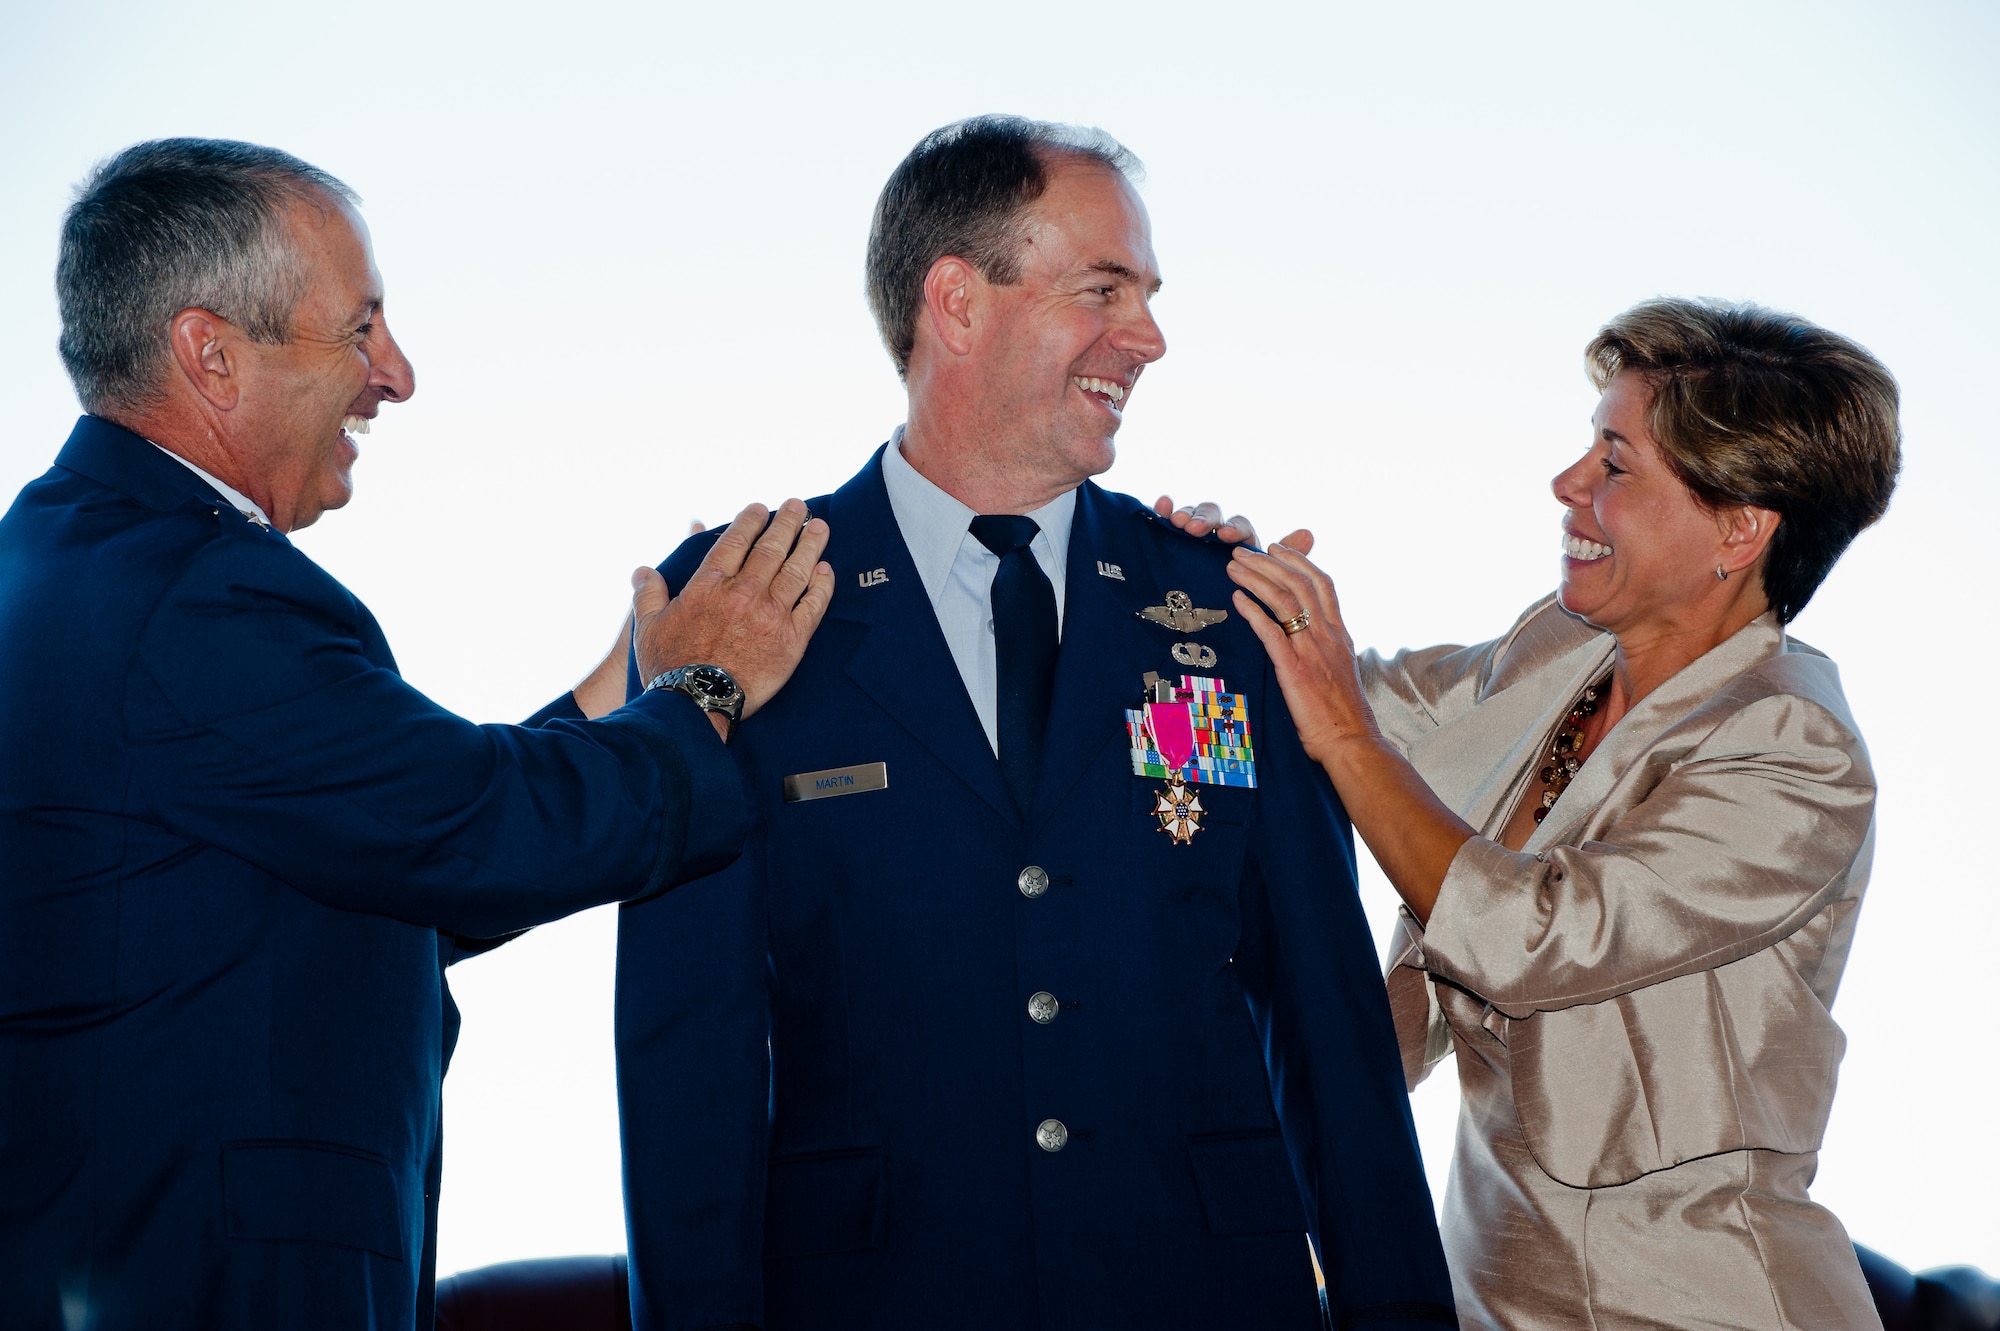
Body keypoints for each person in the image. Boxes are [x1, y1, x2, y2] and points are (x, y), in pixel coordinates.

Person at [613, 116, 1456, 1331]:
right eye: (1101, 290)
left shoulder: (1220, 607)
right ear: (954, 300)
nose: (1150, 337)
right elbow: (687, 1040)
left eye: (1149, 295)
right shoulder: (740, 601)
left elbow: (1323, 1016)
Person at [0, 139, 832, 1331]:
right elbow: (475, 831)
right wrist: (706, 688)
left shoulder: (70, 561)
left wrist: (629, 681)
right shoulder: (194, 595)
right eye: (359, 329)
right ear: (209, 352)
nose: (397, 374)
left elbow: (405, 847)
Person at [1218, 297, 1900, 1329]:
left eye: (1614, 464)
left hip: (1698, 1307)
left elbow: (1530, 935)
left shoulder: (1793, 748)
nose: (1567, 484)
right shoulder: (1560, 652)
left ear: (1737, 526)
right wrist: (1200, 589)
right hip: (1491, 1295)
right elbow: (1327, 694)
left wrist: (1345, 738)